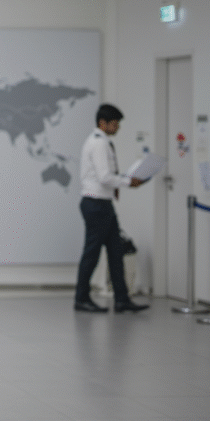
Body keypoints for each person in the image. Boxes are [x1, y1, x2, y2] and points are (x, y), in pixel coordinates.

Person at [74, 103, 150, 313]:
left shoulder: (102, 142)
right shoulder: (98, 143)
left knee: (116, 252)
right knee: (92, 253)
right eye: (115, 124)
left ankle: (121, 299)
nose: (117, 128)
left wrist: (125, 181)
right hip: (96, 203)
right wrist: (128, 182)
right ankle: (81, 298)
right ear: (103, 123)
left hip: (103, 204)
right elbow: (104, 177)